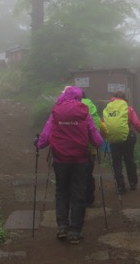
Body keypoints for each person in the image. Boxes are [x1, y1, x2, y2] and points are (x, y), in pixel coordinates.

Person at [36, 86, 103, 244]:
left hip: (60, 160)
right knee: (78, 194)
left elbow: (45, 136)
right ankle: (75, 231)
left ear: (64, 96)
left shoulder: (56, 111)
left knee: (62, 192)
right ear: (79, 97)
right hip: (80, 160)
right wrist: (98, 143)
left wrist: (38, 144)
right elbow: (96, 139)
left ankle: (62, 228)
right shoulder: (84, 112)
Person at [102, 91, 140, 194]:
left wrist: (104, 136)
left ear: (113, 98)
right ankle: (133, 183)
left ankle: (121, 186)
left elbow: (103, 123)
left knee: (116, 163)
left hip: (113, 139)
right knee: (129, 160)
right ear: (125, 99)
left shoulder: (107, 109)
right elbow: (135, 123)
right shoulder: (128, 108)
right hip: (127, 138)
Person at [80, 92, 107, 207]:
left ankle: (77, 197)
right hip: (91, 149)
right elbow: (101, 127)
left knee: (76, 174)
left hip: (74, 149)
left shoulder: (67, 107)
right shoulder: (91, 108)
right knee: (88, 173)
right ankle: (89, 199)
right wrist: (102, 138)